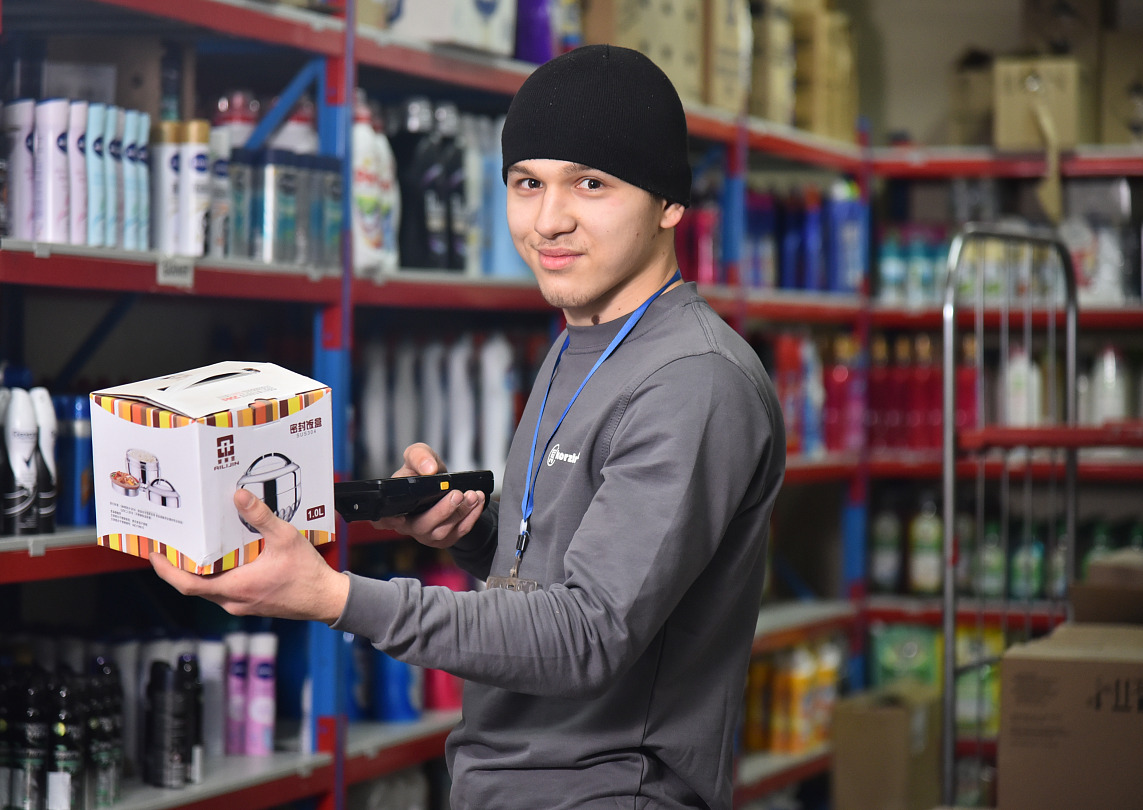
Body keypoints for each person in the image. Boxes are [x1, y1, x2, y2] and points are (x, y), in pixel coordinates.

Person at [152, 44, 786, 810]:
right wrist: (476, 534)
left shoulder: (694, 380)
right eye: (527, 183)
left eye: (591, 183)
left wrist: (331, 596)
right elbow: (577, 567)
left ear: (669, 203)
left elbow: (588, 635)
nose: (549, 220)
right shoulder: (581, 339)